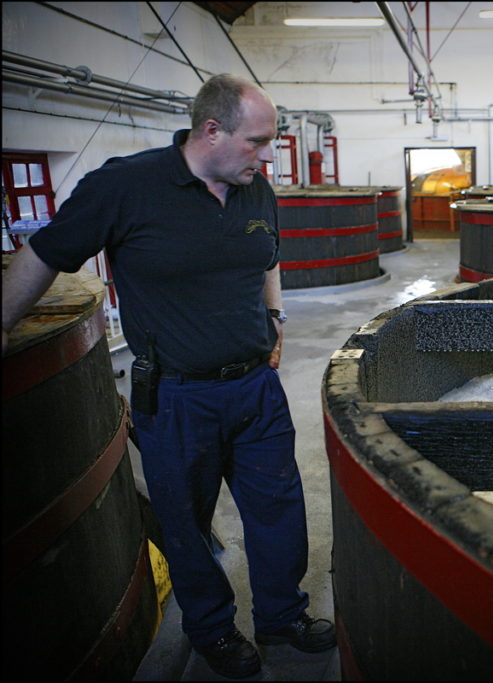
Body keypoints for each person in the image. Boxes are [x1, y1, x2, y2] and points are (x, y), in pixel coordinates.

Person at [2, 73, 334, 679]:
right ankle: (213, 630)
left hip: (256, 388)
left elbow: (268, 256)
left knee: (280, 510)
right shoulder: (125, 185)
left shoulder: (255, 187)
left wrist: (276, 314)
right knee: (186, 523)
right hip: (177, 396)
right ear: (212, 130)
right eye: (258, 142)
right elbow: (47, 252)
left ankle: (282, 615)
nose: (269, 157)